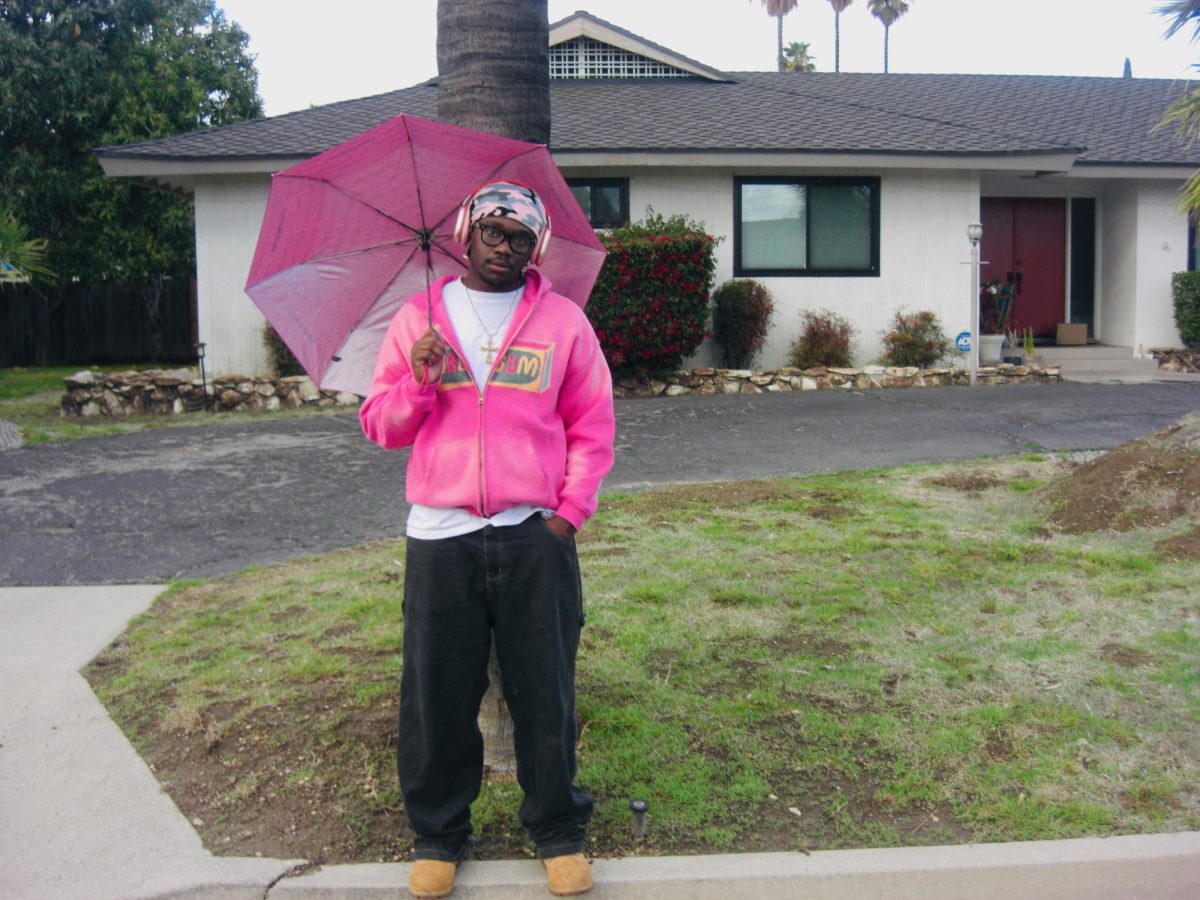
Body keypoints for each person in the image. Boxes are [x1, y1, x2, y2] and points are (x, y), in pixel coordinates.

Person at [359, 180, 615, 899]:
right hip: (441, 539)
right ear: (464, 235)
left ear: (538, 248)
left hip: (532, 534)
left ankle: (558, 832)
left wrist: (567, 516)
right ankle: (439, 835)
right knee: (437, 692)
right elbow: (381, 427)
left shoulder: (563, 322)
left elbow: (592, 426)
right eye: (494, 232)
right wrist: (418, 383)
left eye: (522, 237)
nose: (507, 247)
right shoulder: (419, 321)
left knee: (545, 692)